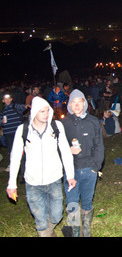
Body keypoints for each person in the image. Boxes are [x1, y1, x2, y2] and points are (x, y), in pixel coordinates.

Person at [6, 97, 76, 237]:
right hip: (33, 183)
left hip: (54, 179)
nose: (45, 114)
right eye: (42, 111)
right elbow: (15, 157)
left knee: (56, 216)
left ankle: (47, 231)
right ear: (34, 112)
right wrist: (11, 184)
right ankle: (45, 232)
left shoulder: (56, 127)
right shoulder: (23, 130)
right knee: (40, 220)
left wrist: (70, 175)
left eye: (47, 111)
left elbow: (65, 152)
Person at [62, 89, 104, 237]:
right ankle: (75, 232)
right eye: (73, 102)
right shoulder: (63, 124)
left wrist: (96, 167)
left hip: (89, 169)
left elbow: (99, 145)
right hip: (70, 171)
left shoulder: (93, 121)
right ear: (70, 105)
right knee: (72, 203)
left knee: (87, 201)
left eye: (79, 102)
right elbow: (57, 147)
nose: (77, 105)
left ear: (84, 104)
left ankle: (86, 231)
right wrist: (68, 150)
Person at [1, 92, 29, 173]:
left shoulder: (15, 106)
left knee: (21, 149)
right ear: (3, 101)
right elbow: (1, 121)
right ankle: (13, 165)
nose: (7, 100)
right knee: (11, 150)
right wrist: (2, 121)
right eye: (5, 99)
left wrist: (26, 106)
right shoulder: (3, 111)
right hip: (8, 133)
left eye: (8, 99)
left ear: (11, 99)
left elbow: (22, 107)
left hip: (17, 133)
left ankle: (23, 165)